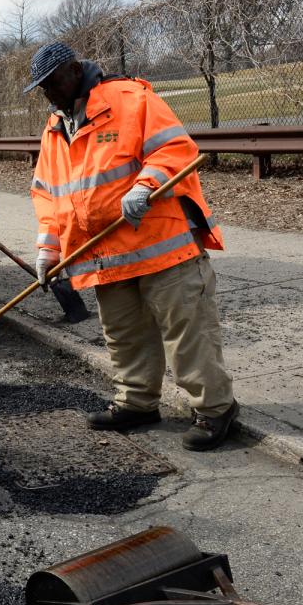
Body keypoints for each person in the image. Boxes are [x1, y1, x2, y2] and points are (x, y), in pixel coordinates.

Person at [24, 41, 238, 451]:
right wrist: (48, 250)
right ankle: (137, 402)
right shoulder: (55, 128)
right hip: (106, 255)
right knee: (124, 335)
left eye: (51, 83)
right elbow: (49, 197)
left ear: (74, 71)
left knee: (187, 332)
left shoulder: (129, 98)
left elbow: (174, 148)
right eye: (42, 87)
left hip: (162, 246)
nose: (47, 93)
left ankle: (215, 409)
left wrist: (145, 185)